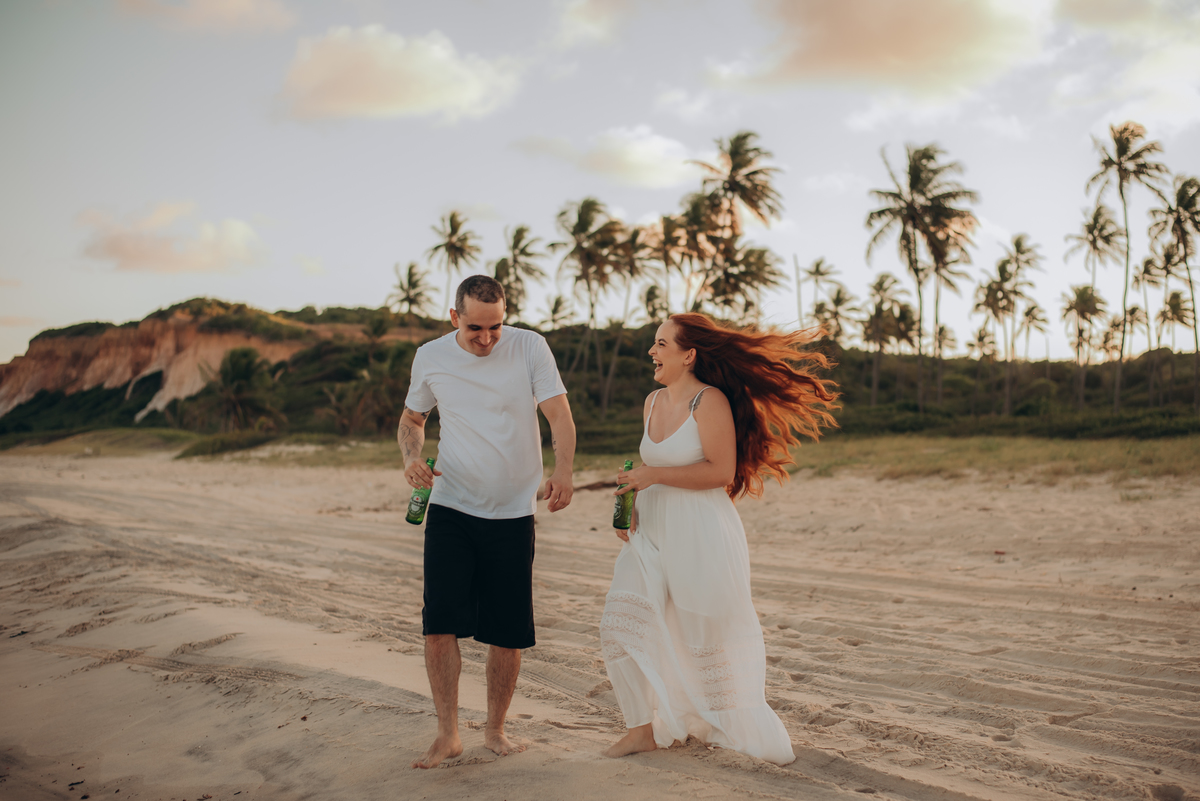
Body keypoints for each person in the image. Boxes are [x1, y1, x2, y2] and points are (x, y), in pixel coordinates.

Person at [599, 312, 837, 765]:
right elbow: (651, 471)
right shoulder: (651, 402)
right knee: (620, 620)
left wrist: (653, 475)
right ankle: (639, 729)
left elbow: (720, 471)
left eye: (662, 344)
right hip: (651, 530)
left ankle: (721, 721)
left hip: (701, 531)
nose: (652, 351)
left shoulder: (709, 402)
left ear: (689, 355)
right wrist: (631, 497)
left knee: (705, 630)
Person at [399, 275, 576, 770]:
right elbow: (412, 420)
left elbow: (558, 414)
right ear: (454, 317)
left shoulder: (529, 347)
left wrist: (563, 470)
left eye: (495, 327)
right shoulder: (430, 356)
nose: (486, 338)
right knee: (439, 626)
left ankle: (495, 728)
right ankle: (447, 734)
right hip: (451, 507)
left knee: (508, 631)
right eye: (475, 328)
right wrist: (411, 460)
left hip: (514, 511)